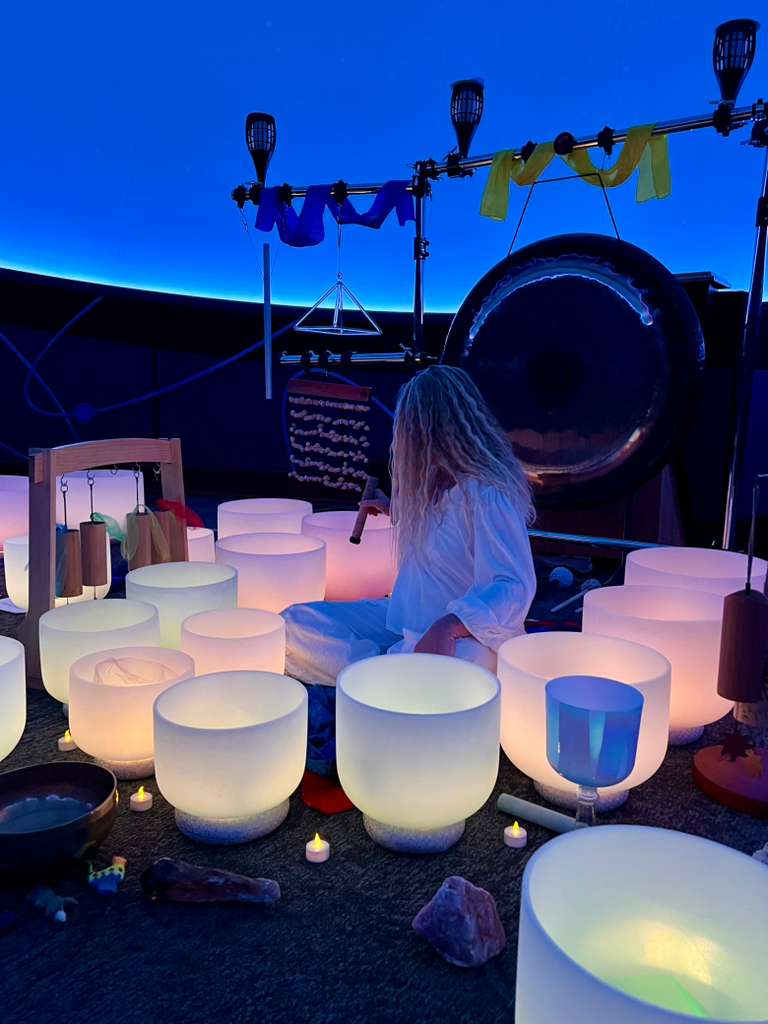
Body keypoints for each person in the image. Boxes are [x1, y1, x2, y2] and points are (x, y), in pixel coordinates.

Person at [284, 364, 537, 684]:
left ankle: (386, 672)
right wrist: (393, 510)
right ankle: (389, 670)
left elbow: (513, 584)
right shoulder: (429, 487)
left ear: (443, 432)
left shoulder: (487, 494)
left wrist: (448, 626)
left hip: (465, 635)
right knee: (292, 624)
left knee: (460, 666)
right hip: (404, 618)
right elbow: (442, 537)